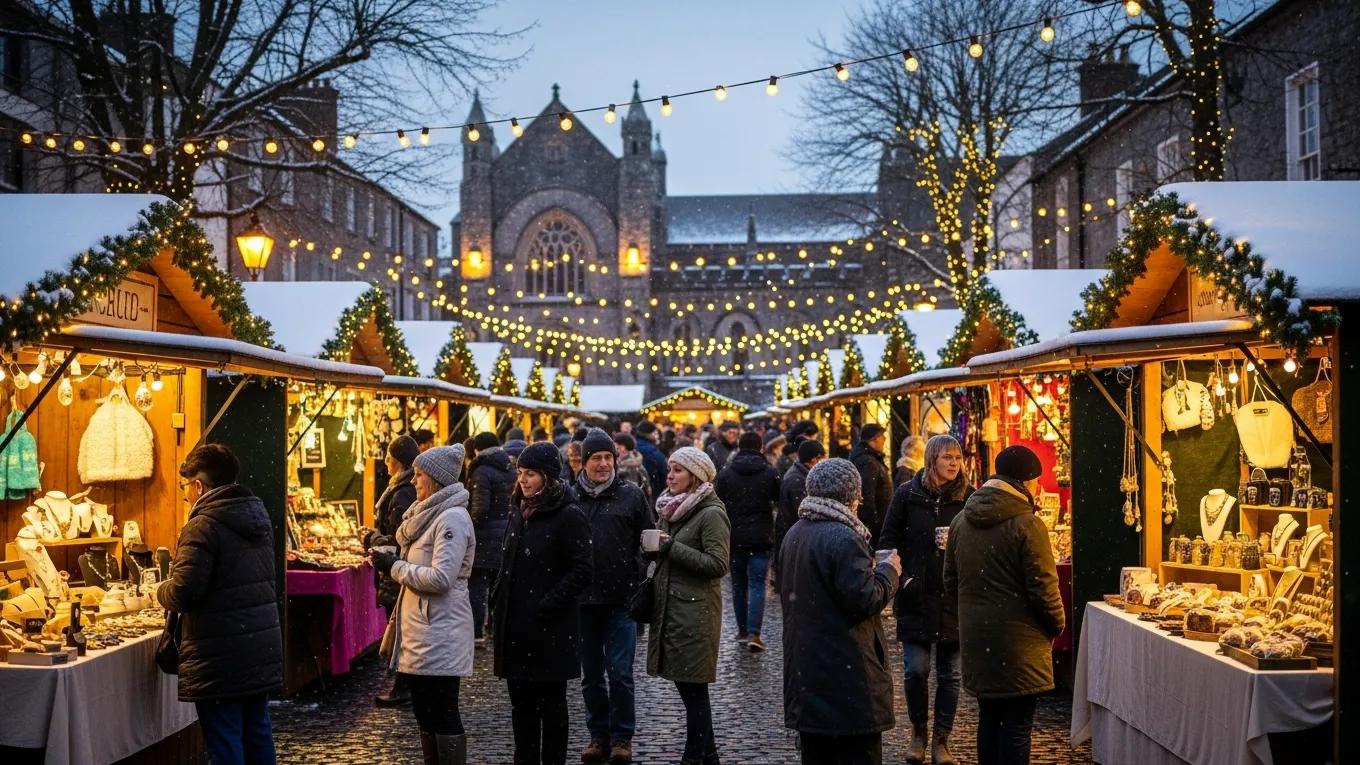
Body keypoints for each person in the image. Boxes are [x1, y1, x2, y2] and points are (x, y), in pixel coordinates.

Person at [158, 444, 283, 765]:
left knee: (225, 739)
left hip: (219, 653)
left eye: (185, 487)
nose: (185, 495)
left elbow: (185, 592)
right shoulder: (257, 516)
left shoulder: (202, 524)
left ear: (198, 486)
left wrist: (159, 591)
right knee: (257, 730)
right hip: (258, 645)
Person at [944, 445, 1064, 765]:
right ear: (1025, 482)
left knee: (989, 718)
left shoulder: (960, 521)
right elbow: (1044, 588)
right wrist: (1056, 625)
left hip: (978, 640)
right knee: (1016, 725)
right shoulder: (1028, 525)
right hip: (1020, 644)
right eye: (1035, 480)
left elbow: (950, 582)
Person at [780, 458, 901, 765]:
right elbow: (864, 599)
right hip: (847, 678)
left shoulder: (795, 533)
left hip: (808, 674)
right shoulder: (845, 537)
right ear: (852, 496)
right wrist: (889, 572)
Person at [370, 445, 475, 765]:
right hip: (422, 630)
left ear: (436, 479)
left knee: (441, 711)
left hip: (440, 629)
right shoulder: (425, 515)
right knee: (424, 711)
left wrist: (395, 567)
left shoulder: (451, 519)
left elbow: (441, 578)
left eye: (418, 475)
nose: (413, 480)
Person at [492, 442, 594, 765]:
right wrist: (498, 599)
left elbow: (583, 570)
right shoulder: (519, 510)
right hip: (516, 627)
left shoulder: (568, 514)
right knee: (521, 708)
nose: (523, 480)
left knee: (551, 708)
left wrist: (548, 603)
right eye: (521, 472)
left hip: (549, 629)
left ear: (548, 477)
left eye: (531, 474)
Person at [879, 435, 971, 765]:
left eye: (957, 458)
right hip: (916, 597)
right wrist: (903, 578)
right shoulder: (908, 495)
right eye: (947, 457)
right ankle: (918, 732)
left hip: (954, 598)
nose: (954, 463)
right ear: (932, 460)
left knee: (951, 675)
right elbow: (888, 540)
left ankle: (941, 740)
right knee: (915, 670)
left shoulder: (968, 497)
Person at [646, 447, 731, 765]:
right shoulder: (670, 508)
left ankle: (694, 756)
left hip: (696, 613)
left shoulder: (712, 513)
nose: (669, 476)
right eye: (670, 469)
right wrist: (651, 551)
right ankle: (708, 754)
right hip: (673, 610)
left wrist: (670, 547)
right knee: (689, 688)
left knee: (694, 690)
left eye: (678, 470)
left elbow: (718, 564)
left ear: (695, 476)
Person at [574, 429, 654, 764]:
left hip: (621, 599)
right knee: (591, 675)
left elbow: (648, 540)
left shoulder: (631, 495)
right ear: (585, 462)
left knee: (620, 673)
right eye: (597, 458)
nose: (603, 464)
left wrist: (640, 575)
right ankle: (598, 735)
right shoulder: (570, 497)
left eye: (608, 457)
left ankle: (622, 738)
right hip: (582, 601)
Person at [714, 431, 780, 652]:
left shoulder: (726, 474)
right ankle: (754, 633)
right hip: (761, 537)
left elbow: (718, 503)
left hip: (734, 537)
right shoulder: (770, 472)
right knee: (757, 584)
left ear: (739, 448)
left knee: (738, 585)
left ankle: (742, 630)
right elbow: (778, 499)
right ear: (760, 447)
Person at [368, 434, 421, 707]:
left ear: (398, 461)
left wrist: (374, 538)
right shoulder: (403, 488)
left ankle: (403, 686)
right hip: (399, 566)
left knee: (401, 627)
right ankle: (404, 683)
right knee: (401, 626)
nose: (385, 462)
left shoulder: (401, 492)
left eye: (388, 458)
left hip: (397, 567)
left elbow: (400, 535)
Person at [467, 431, 513, 647]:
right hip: (506, 533)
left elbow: (480, 509)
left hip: (484, 537)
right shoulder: (509, 467)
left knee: (477, 586)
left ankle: (477, 633)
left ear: (478, 450)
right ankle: (499, 629)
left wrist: (468, 524)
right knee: (499, 586)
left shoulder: (481, 471)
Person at [774, 439, 825, 592]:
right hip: (795, 539)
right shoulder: (798, 480)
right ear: (813, 459)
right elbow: (802, 513)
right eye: (821, 458)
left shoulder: (799, 474)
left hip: (792, 536)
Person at [848, 424, 892, 548]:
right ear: (874, 439)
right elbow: (867, 495)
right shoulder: (868, 462)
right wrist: (875, 524)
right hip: (875, 525)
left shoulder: (868, 458)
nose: (884, 439)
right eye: (882, 436)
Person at [612, 431, 653, 506]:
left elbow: (630, 494)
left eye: (616, 445)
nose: (614, 448)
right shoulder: (632, 461)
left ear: (623, 447)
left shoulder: (630, 467)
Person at [632, 421, 669, 497]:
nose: (657, 436)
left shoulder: (632, 445)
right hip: (651, 490)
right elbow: (663, 472)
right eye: (655, 433)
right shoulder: (652, 451)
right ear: (649, 433)